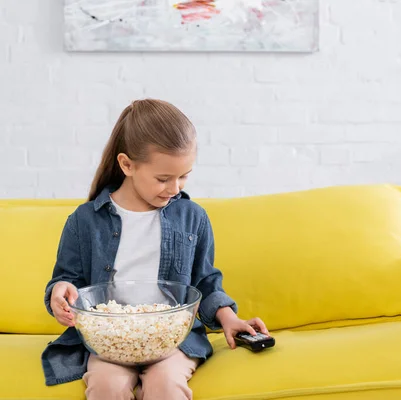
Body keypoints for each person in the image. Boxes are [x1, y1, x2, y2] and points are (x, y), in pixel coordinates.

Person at [41, 99, 269, 400]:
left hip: (173, 341)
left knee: (166, 387)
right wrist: (61, 292)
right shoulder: (85, 221)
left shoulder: (192, 218)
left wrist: (229, 318)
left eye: (184, 176)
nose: (175, 188)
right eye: (163, 178)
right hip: (110, 342)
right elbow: (68, 279)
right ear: (127, 165)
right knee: (106, 387)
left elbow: (204, 282)